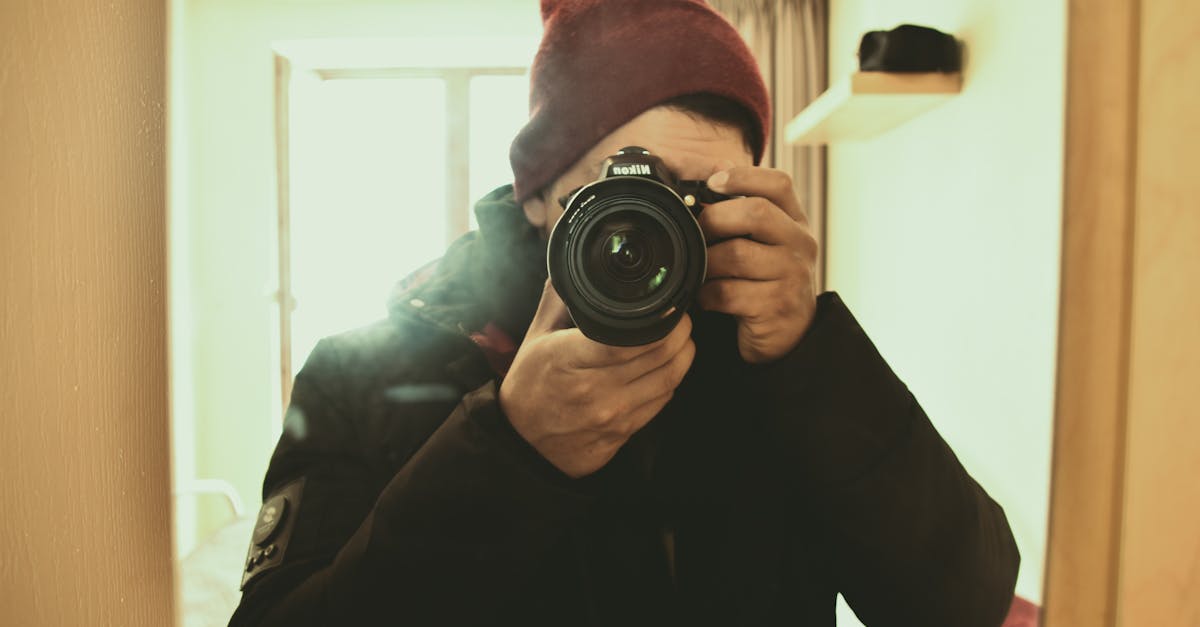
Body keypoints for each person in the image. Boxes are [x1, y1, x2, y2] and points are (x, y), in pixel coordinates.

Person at [228, 1, 1020, 625]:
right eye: (617, 197)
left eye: (697, 198)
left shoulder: (778, 365)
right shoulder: (363, 371)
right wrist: (509, 451)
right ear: (537, 194)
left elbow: (965, 607)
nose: (652, 236)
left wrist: (812, 357)